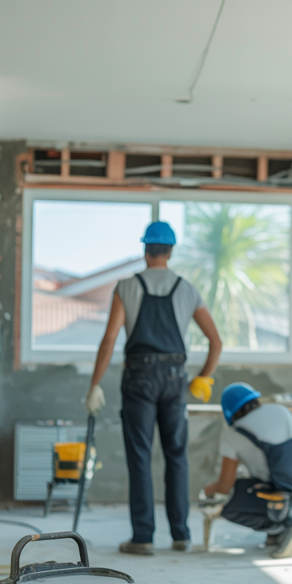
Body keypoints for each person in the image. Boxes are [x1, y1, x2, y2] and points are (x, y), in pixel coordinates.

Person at [86, 221, 222, 555]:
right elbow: (215, 342)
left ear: (145, 249)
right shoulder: (187, 289)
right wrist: (201, 378)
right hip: (175, 377)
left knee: (140, 456)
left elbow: (109, 340)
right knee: (177, 456)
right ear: (170, 251)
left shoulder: (126, 287)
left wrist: (94, 385)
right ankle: (181, 535)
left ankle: (143, 538)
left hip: (139, 376)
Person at [202, 383, 292, 559]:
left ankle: (290, 527)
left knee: (227, 503)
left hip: (288, 505)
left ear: (230, 412)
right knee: (276, 483)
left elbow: (225, 486)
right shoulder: (281, 411)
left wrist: (208, 491)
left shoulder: (233, 434)